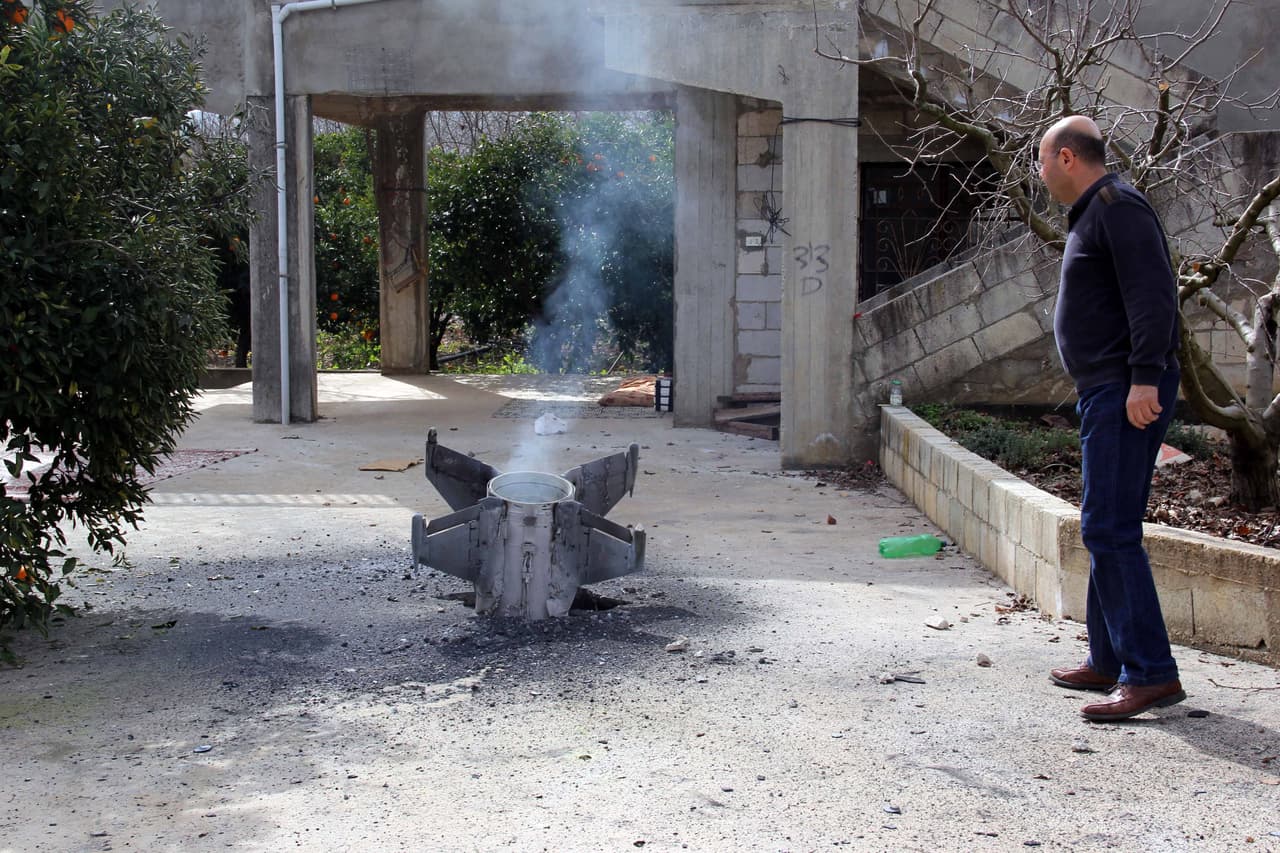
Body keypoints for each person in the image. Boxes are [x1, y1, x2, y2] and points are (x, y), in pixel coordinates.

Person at [1037, 115, 1186, 722]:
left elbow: (1153, 296)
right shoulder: (1096, 212)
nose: (1039, 172)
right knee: (1104, 524)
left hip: (1127, 387)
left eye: (1042, 159)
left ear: (1067, 158)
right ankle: (1108, 661)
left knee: (1110, 527)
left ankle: (1150, 673)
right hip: (1107, 387)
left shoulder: (1119, 207)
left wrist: (1144, 378)